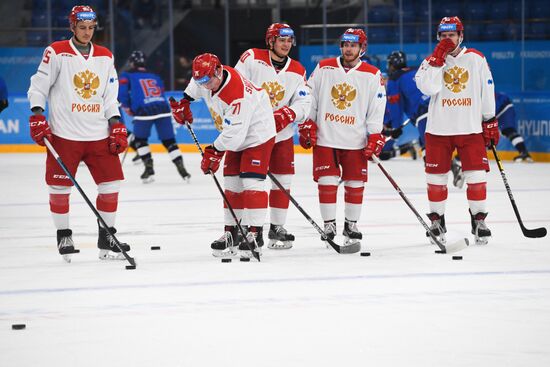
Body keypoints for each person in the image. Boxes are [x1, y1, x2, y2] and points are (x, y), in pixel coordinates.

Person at [27, 5, 130, 262]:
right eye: (82, 28)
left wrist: (115, 123)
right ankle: (64, 235)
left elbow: (109, 95)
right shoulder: (57, 52)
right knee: (59, 186)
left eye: (91, 28)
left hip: (98, 133)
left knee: (111, 185)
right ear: (72, 27)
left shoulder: (105, 56)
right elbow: (39, 85)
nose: (87, 32)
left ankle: (107, 237)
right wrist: (37, 114)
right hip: (65, 134)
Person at [170, 53, 276, 258]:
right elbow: (194, 86)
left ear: (218, 71)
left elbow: (234, 134)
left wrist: (214, 151)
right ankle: (232, 232)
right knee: (231, 185)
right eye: (201, 80)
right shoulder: (206, 76)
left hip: (257, 134)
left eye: (208, 80)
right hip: (234, 134)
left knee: (251, 182)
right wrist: (184, 102)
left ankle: (255, 233)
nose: (205, 85)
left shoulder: (237, 94)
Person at [415, 16, 499, 246]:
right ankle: (437, 220)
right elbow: (428, 87)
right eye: (443, 35)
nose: (447, 39)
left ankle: (479, 220)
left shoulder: (475, 58)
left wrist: (489, 119)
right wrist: (437, 59)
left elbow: (487, 89)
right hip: (438, 130)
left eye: (451, 35)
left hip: (469, 128)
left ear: (461, 36)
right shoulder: (430, 61)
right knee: (435, 179)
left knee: (477, 177)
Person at [299, 28, 386, 250]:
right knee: (327, 182)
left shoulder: (372, 74)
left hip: (355, 141)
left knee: (355, 184)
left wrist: (375, 134)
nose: (348, 48)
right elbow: (311, 96)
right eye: (346, 44)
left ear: (362, 48)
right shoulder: (324, 67)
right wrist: (308, 122)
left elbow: (377, 108)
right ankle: (329, 225)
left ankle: (351, 225)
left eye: (353, 45)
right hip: (325, 138)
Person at [233, 23, 311, 250]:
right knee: (248, 183)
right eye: (281, 40)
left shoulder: (298, 69)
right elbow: (237, 87)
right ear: (270, 41)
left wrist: (290, 113)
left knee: (283, 182)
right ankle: (247, 227)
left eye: (289, 40)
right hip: (253, 135)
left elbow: (304, 101)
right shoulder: (251, 58)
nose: (286, 44)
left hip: (282, 136)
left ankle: (277, 228)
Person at [118, 50, 191, 183]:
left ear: (132, 62)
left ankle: (149, 168)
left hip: (144, 110)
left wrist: (127, 107)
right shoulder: (154, 76)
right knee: (169, 141)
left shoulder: (127, 75)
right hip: (163, 108)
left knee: (140, 140)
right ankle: (182, 169)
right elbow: (161, 91)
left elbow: (122, 94)